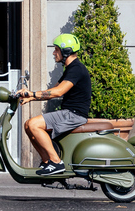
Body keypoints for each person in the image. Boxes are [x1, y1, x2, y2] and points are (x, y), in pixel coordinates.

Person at [17, 33, 91, 176]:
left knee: (34, 124)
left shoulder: (77, 69)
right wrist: (31, 97)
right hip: (69, 112)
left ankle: (56, 162)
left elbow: (58, 92)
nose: (53, 52)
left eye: (56, 49)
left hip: (74, 114)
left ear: (66, 51)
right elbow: (52, 91)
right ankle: (47, 162)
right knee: (28, 125)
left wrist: (32, 94)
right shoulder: (70, 69)